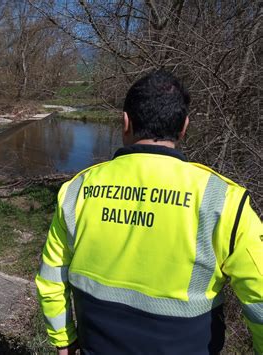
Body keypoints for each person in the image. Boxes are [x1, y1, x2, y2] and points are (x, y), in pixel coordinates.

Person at [36, 70, 262, 354]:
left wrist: (63, 340)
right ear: (184, 127)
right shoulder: (224, 199)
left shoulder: (77, 189)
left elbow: (51, 278)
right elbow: (260, 297)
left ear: (125, 121)